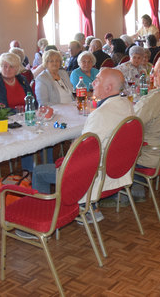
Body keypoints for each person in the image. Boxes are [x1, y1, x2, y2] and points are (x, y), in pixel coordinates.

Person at [31, 68, 135, 220]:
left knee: (39, 172)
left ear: (108, 88)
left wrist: (63, 162)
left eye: (97, 80)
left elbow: (81, 153)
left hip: (96, 174)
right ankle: (90, 207)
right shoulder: (126, 104)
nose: (93, 82)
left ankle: (42, 220)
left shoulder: (100, 114)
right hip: (118, 168)